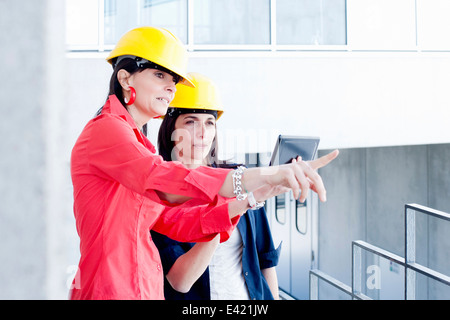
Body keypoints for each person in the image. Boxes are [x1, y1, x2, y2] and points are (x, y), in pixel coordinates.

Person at [69, 26, 338, 300]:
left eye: (173, 79)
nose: (171, 87)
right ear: (126, 78)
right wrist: (258, 175)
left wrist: (254, 196)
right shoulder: (106, 130)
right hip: (108, 291)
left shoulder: (140, 146)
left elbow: (174, 220)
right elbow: (163, 183)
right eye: (160, 75)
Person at [151, 72, 281, 300]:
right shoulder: (160, 194)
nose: (202, 133)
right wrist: (227, 212)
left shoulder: (239, 178)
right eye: (191, 122)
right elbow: (180, 281)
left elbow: (266, 260)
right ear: (172, 129)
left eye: (209, 123)